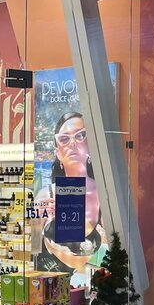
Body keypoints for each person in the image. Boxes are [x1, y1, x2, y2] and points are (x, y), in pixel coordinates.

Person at [35, 111, 104, 273]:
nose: (72, 143)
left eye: (80, 136)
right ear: (58, 151)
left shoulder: (104, 196)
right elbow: (31, 246)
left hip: (96, 284)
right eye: (64, 139)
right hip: (50, 284)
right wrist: (36, 219)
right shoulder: (45, 196)